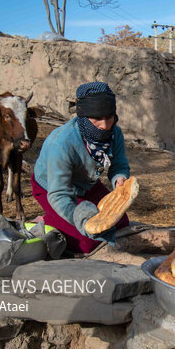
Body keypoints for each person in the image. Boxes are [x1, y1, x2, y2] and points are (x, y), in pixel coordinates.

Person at [31, 81, 130, 253]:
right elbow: (59, 194)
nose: (105, 125)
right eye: (97, 119)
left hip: (86, 184)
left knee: (121, 222)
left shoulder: (115, 133)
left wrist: (119, 179)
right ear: (84, 117)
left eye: (109, 117)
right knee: (88, 242)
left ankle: (62, 220)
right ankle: (46, 221)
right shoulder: (61, 143)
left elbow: (119, 164)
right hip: (52, 189)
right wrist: (81, 219)